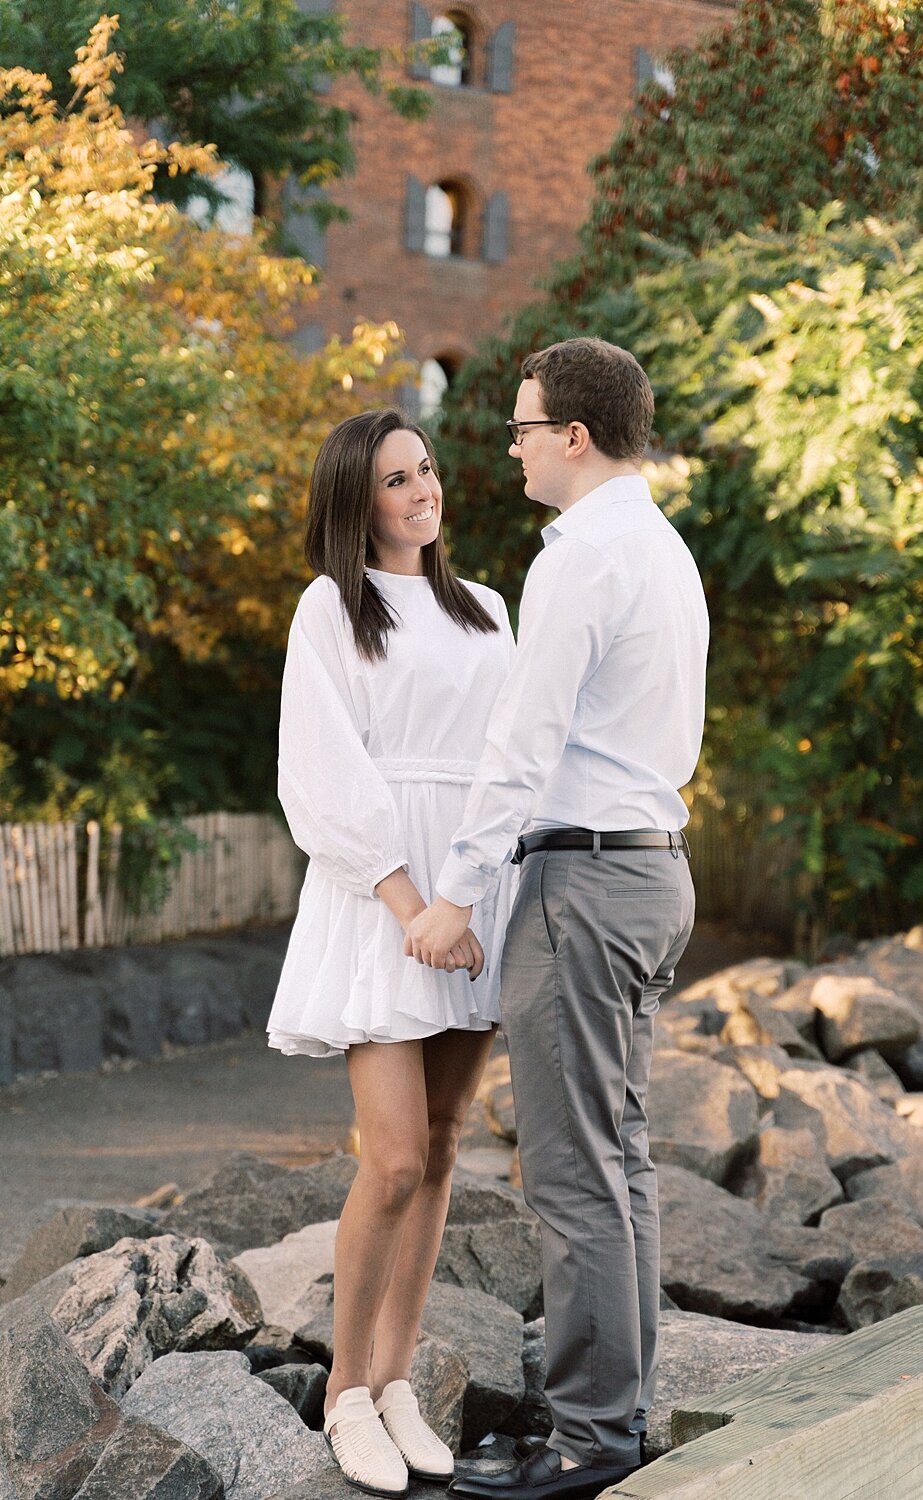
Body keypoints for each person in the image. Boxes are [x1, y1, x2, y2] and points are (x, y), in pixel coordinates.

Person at [406, 339, 709, 1500]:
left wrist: (454, 894)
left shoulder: (580, 558)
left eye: (523, 427)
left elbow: (523, 748)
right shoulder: (663, 549)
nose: (516, 445)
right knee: (617, 1160)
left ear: (572, 436)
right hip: (648, 874)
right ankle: (614, 1419)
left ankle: (589, 1444)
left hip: (583, 886)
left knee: (576, 1175)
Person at [266, 408, 515, 1497]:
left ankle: (398, 1377)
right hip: (383, 898)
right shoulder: (331, 610)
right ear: (355, 502)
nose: (422, 492)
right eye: (394, 480)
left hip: (472, 895)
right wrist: (411, 901)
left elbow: (513, 763)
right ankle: (343, 1394)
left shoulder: (488, 610)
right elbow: (320, 770)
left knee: (451, 1143)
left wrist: (465, 897)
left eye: (425, 471)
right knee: (397, 1155)